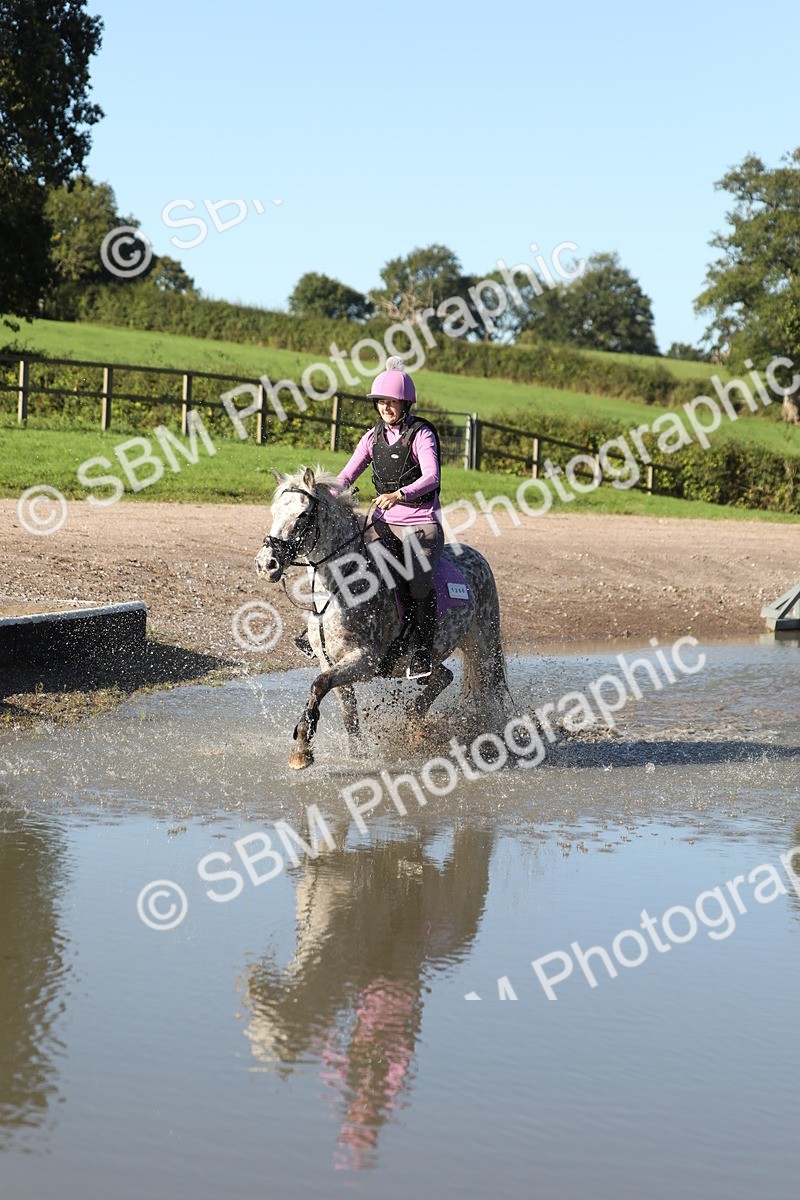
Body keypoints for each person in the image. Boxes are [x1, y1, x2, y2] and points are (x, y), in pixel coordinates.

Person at [336, 356, 443, 679]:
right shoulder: (372, 438)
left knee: (418, 581)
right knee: (351, 562)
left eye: (391, 402)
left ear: (405, 403)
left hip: (420, 522)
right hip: (383, 523)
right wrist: (321, 497)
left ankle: (422, 649)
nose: (385, 407)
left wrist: (401, 494)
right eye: (381, 402)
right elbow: (346, 476)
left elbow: (432, 476)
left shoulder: (421, 434)